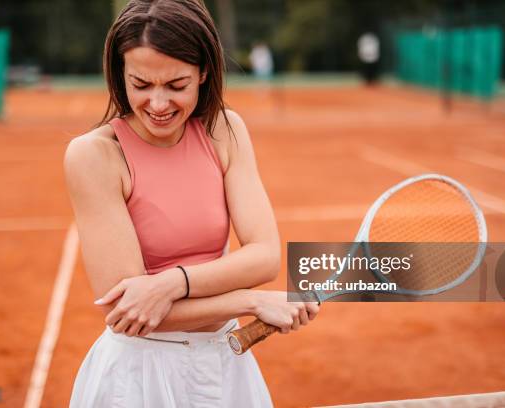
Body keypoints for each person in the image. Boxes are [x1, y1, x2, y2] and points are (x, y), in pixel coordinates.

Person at [63, 1, 319, 406]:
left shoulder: (225, 129)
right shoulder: (92, 155)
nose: (159, 104)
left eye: (176, 85)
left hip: (225, 365)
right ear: (119, 74)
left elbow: (265, 256)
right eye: (141, 85)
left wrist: (168, 283)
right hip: (139, 376)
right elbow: (128, 312)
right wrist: (250, 300)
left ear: (203, 72)